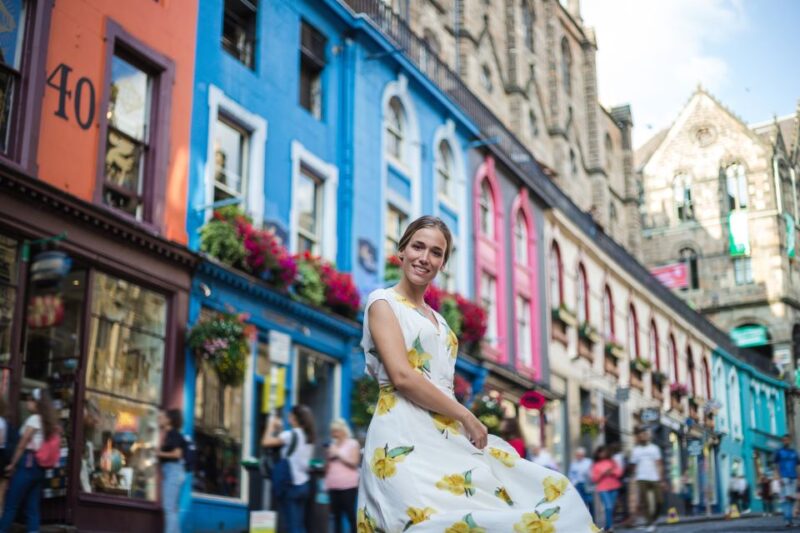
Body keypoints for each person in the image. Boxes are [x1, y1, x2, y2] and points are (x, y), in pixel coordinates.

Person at [357, 216, 597, 532]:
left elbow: (441, 384)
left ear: (443, 263)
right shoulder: (383, 302)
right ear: (402, 250)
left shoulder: (440, 322)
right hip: (401, 433)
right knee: (423, 522)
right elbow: (402, 376)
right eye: (417, 247)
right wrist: (466, 416)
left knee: (509, 504)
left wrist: (461, 421)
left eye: (436, 252)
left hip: (444, 435)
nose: (424, 258)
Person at [0, 387, 58, 533]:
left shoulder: (34, 419)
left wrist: (12, 464)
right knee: (32, 509)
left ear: (36, 402)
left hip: (27, 463)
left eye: (29, 399)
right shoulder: (47, 422)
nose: (27, 402)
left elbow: (22, 444)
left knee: (11, 505)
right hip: (39, 468)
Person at [262, 404, 315, 533]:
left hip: (291, 485)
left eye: (290, 415)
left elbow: (266, 442)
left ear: (295, 418)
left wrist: (270, 424)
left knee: (292, 526)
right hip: (304, 484)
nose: (288, 417)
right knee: (299, 525)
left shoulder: (291, 435)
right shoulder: (309, 437)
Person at [325, 418, 361, 533]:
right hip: (333, 486)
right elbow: (328, 466)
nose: (334, 434)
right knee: (336, 517)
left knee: (350, 515)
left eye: (336, 431)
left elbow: (354, 462)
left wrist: (338, 454)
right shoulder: (332, 445)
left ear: (343, 430)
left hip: (348, 486)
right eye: (332, 431)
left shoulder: (353, 443)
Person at [157, 409, 185, 533]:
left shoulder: (174, 434)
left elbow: (177, 454)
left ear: (169, 420)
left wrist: (159, 453)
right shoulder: (168, 434)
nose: (159, 419)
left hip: (174, 472)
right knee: (171, 508)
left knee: (169, 508)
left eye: (162, 417)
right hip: (170, 472)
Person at [630, 428, 664, 533]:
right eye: (640, 436)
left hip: (654, 478)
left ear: (648, 436)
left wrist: (661, 479)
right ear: (639, 438)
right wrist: (633, 479)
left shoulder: (654, 448)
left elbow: (659, 464)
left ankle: (652, 519)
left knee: (660, 501)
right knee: (645, 503)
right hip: (641, 478)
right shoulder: (636, 450)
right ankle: (650, 523)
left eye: (644, 435)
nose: (643, 437)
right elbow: (633, 466)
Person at [591, 445, 623, 533]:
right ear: (598, 454)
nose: (603, 454)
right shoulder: (596, 465)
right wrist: (603, 474)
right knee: (608, 506)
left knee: (611, 507)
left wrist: (611, 472)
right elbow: (594, 479)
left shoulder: (612, 462)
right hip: (603, 488)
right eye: (601, 452)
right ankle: (610, 526)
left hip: (614, 486)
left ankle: (608, 525)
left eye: (604, 452)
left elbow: (619, 472)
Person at [772, 434, 799, 527]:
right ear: (782, 441)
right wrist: (778, 477)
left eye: (787, 440)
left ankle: (789, 520)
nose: (785, 441)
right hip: (784, 477)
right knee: (785, 499)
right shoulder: (779, 452)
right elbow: (776, 465)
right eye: (784, 440)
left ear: (790, 440)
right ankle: (787, 520)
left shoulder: (794, 452)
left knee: (792, 499)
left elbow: (797, 466)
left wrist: (799, 478)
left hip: (793, 477)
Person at [568, 447, 594, 517]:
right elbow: (571, 474)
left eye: (580, 455)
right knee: (581, 502)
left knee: (590, 502)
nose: (579, 456)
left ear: (583, 455)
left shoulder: (588, 462)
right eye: (577, 455)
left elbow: (591, 473)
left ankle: (592, 517)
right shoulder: (574, 463)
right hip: (578, 484)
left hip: (587, 484)